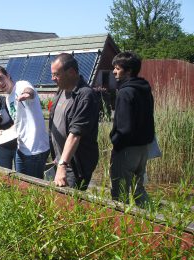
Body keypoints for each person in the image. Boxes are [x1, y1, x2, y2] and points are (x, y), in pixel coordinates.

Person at [49, 53, 100, 190]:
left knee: (68, 205)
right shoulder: (61, 90)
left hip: (75, 165)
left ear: (71, 72)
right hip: (61, 161)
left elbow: (76, 133)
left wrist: (62, 165)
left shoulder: (85, 95)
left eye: (56, 74)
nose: (53, 78)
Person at [0, 66, 50, 179]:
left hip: (35, 149)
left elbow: (29, 90)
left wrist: (26, 94)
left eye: (1, 78)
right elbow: (18, 123)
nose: (0, 83)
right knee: (20, 185)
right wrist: (5, 132)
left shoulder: (21, 85)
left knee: (34, 189)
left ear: (8, 75)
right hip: (21, 149)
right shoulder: (8, 99)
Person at [110, 51, 155, 206]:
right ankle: (150, 222)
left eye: (117, 68)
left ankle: (120, 226)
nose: (114, 71)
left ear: (128, 70)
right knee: (138, 190)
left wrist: (115, 143)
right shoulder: (145, 89)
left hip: (126, 150)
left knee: (119, 193)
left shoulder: (125, 92)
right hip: (143, 149)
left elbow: (124, 128)